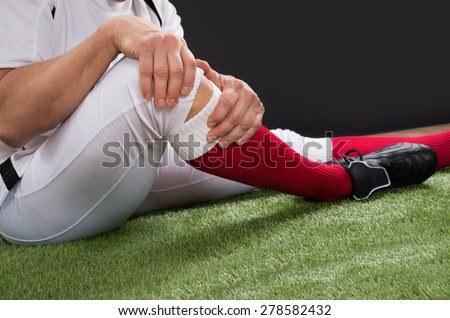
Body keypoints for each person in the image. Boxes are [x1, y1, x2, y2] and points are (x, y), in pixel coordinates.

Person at [0, 0, 448, 245]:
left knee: (285, 144)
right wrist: (111, 34)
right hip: (26, 195)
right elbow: (8, 119)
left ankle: (443, 145)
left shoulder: (154, 6)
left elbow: (186, 105)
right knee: (146, 81)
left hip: (117, 171)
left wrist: (227, 95)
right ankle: (336, 184)